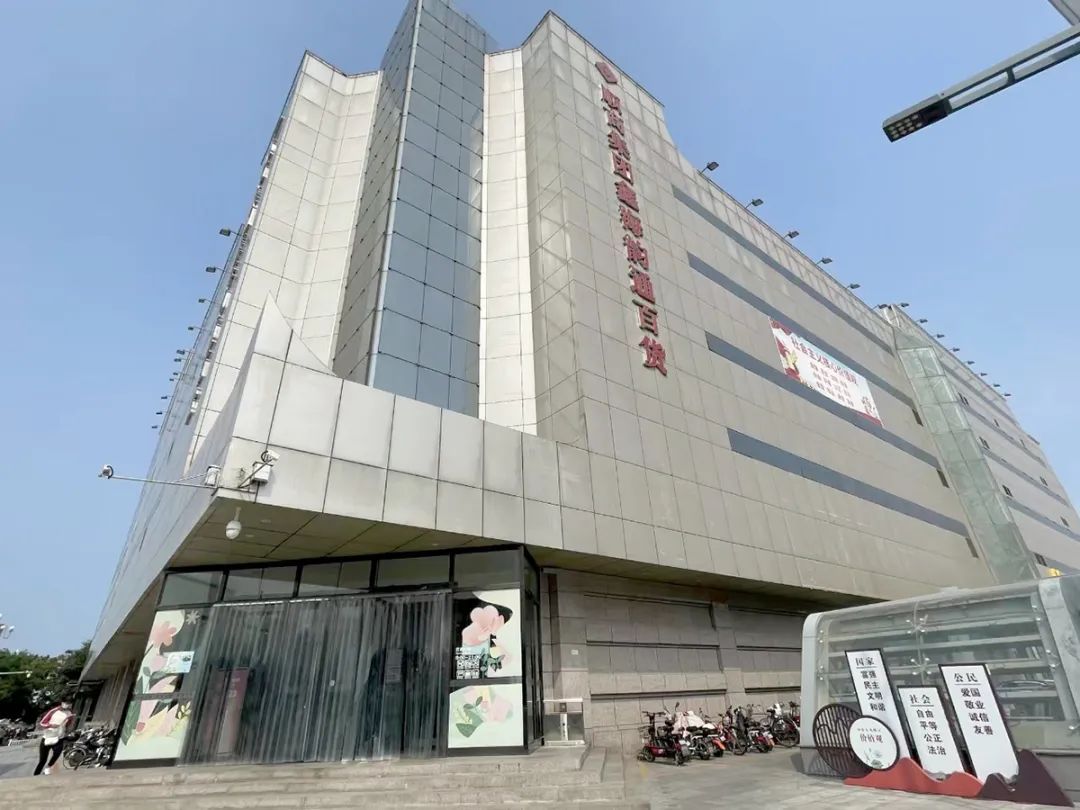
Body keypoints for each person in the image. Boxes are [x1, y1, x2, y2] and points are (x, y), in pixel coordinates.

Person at [34, 701, 74, 775]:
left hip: (59, 738)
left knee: (57, 753)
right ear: (62, 703)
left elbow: (69, 724)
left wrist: (67, 730)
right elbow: (42, 723)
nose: (68, 705)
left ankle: (48, 767)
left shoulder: (70, 713)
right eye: (67, 703)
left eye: (70, 704)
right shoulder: (53, 711)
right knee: (42, 760)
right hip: (48, 737)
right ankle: (36, 775)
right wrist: (51, 725)